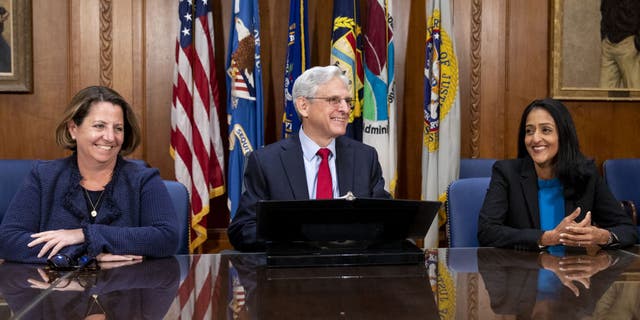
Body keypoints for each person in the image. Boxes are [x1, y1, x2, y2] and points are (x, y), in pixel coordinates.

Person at [0, 86, 179, 264]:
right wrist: (86, 255)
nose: (110, 137)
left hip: (125, 289)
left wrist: (83, 234)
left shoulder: (144, 179)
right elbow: (9, 241)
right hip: (58, 290)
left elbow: (166, 238)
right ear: (73, 129)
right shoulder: (43, 176)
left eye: (118, 128)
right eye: (99, 126)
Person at [227, 65, 390, 251]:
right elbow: (242, 230)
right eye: (334, 100)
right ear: (303, 106)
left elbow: (385, 223)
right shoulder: (266, 162)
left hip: (350, 272)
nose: (345, 109)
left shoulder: (365, 158)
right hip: (291, 274)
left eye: (347, 101)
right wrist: (300, 238)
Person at [478, 98, 637, 250]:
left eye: (545, 130)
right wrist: (545, 238)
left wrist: (603, 236)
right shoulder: (507, 173)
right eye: (529, 131)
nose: (535, 138)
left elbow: (627, 229)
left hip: (573, 274)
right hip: (524, 274)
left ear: (563, 135)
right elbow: (487, 231)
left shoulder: (586, 174)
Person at [599, 0, 640, 88]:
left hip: (628, 46)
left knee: (635, 94)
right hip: (608, 45)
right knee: (604, 95)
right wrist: (604, 38)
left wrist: (636, 44)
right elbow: (604, 11)